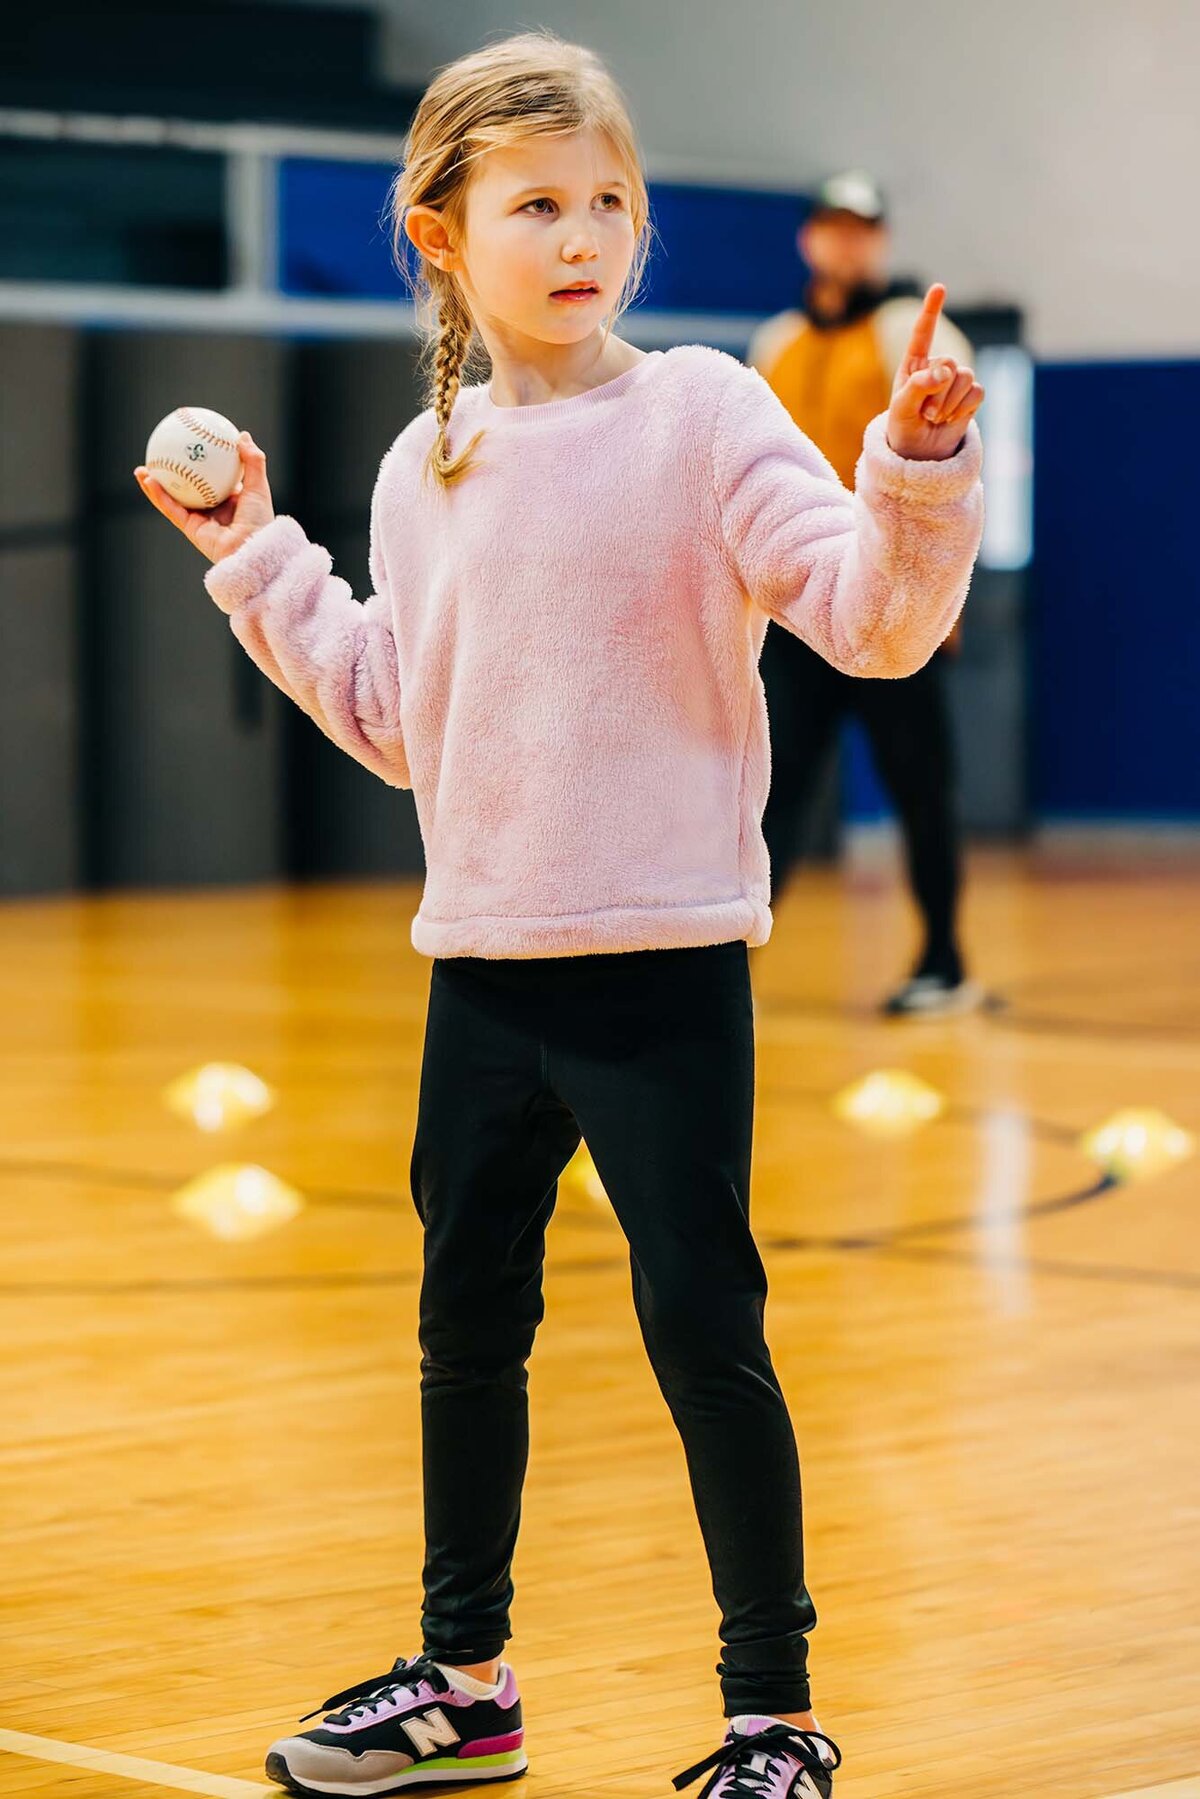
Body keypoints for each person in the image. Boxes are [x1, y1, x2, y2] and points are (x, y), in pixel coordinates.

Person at [134, 36, 984, 1799]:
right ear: (440, 232)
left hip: (663, 960)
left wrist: (911, 470)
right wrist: (255, 549)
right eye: (539, 204)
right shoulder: (423, 463)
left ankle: (774, 1714)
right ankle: (465, 1681)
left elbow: (871, 620)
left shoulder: (701, 414)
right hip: (486, 971)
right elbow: (393, 713)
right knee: (465, 1328)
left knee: (705, 1327)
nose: (585, 232)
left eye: (611, 202)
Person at [749, 170, 983, 1016]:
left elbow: (950, 446)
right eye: (835, 227)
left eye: (864, 229)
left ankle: (945, 962)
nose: (849, 242)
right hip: (801, 616)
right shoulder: (775, 341)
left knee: (923, 786)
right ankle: (729, 969)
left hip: (890, 610)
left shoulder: (904, 331)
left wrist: (938, 591)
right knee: (770, 798)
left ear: (879, 242)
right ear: (811, 238)